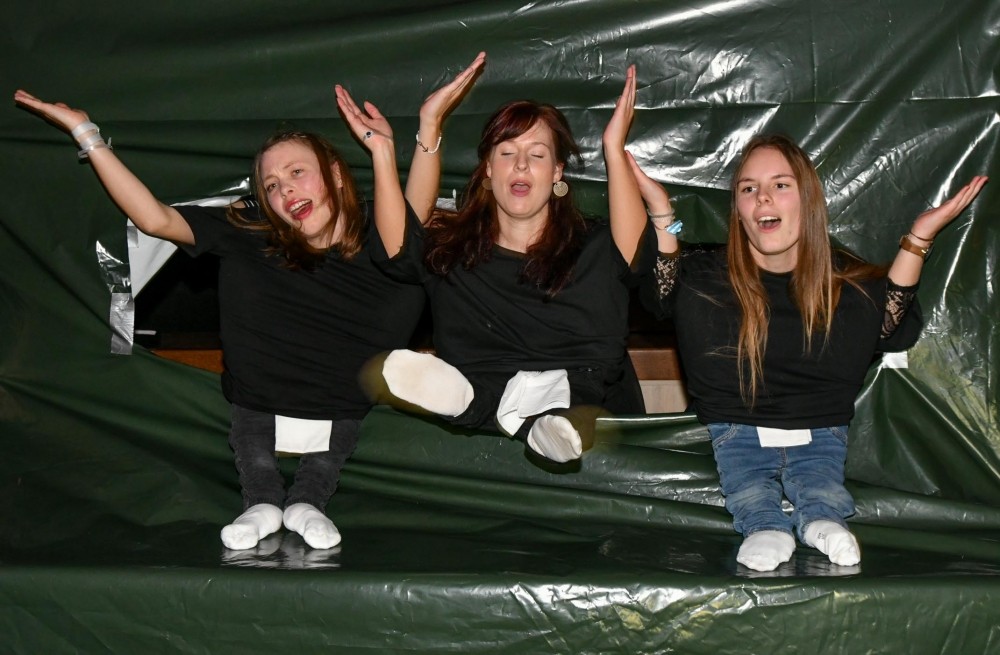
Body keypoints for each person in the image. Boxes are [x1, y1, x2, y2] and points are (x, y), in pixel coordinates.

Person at [12, 54, 484, 551]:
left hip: (341, 406)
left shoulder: (380, 235)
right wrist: (87, 134)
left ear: (336, 175)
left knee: (326, 458)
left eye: (297, 172)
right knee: (254, 456)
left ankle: (307, 504)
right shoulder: (248, 234)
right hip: (256, 401)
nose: (286, 189)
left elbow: (410, 220)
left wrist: (416, 133)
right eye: (273, 186)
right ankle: (260, 504)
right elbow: (154, 219)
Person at [622, 133, 987, 571]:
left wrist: (918, 238)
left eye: (780, 185)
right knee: (749, 490)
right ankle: (765, 528)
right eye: (748, 188)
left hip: (821, 433)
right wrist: (663, 214)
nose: (762, 198)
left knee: (822, 487)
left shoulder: (847, 286)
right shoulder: (706, 280)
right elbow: (660, 294)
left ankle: (822, 522)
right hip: (738, 434)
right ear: (738, 210)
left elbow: (889, 323)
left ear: (807, 201)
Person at [334, 65, 653, 464]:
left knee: (572, 410)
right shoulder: (453, 254)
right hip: (483, 408)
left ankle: (537, 421)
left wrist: (613, 147)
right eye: (506, 152)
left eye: (537, 154)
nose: (520, 164)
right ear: (488, 168)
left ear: (557, 172)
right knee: (477, 394)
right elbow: (398, 248)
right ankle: (469, 402)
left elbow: (637, 255)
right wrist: (414, 134)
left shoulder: (596, 247)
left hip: (583, 408)